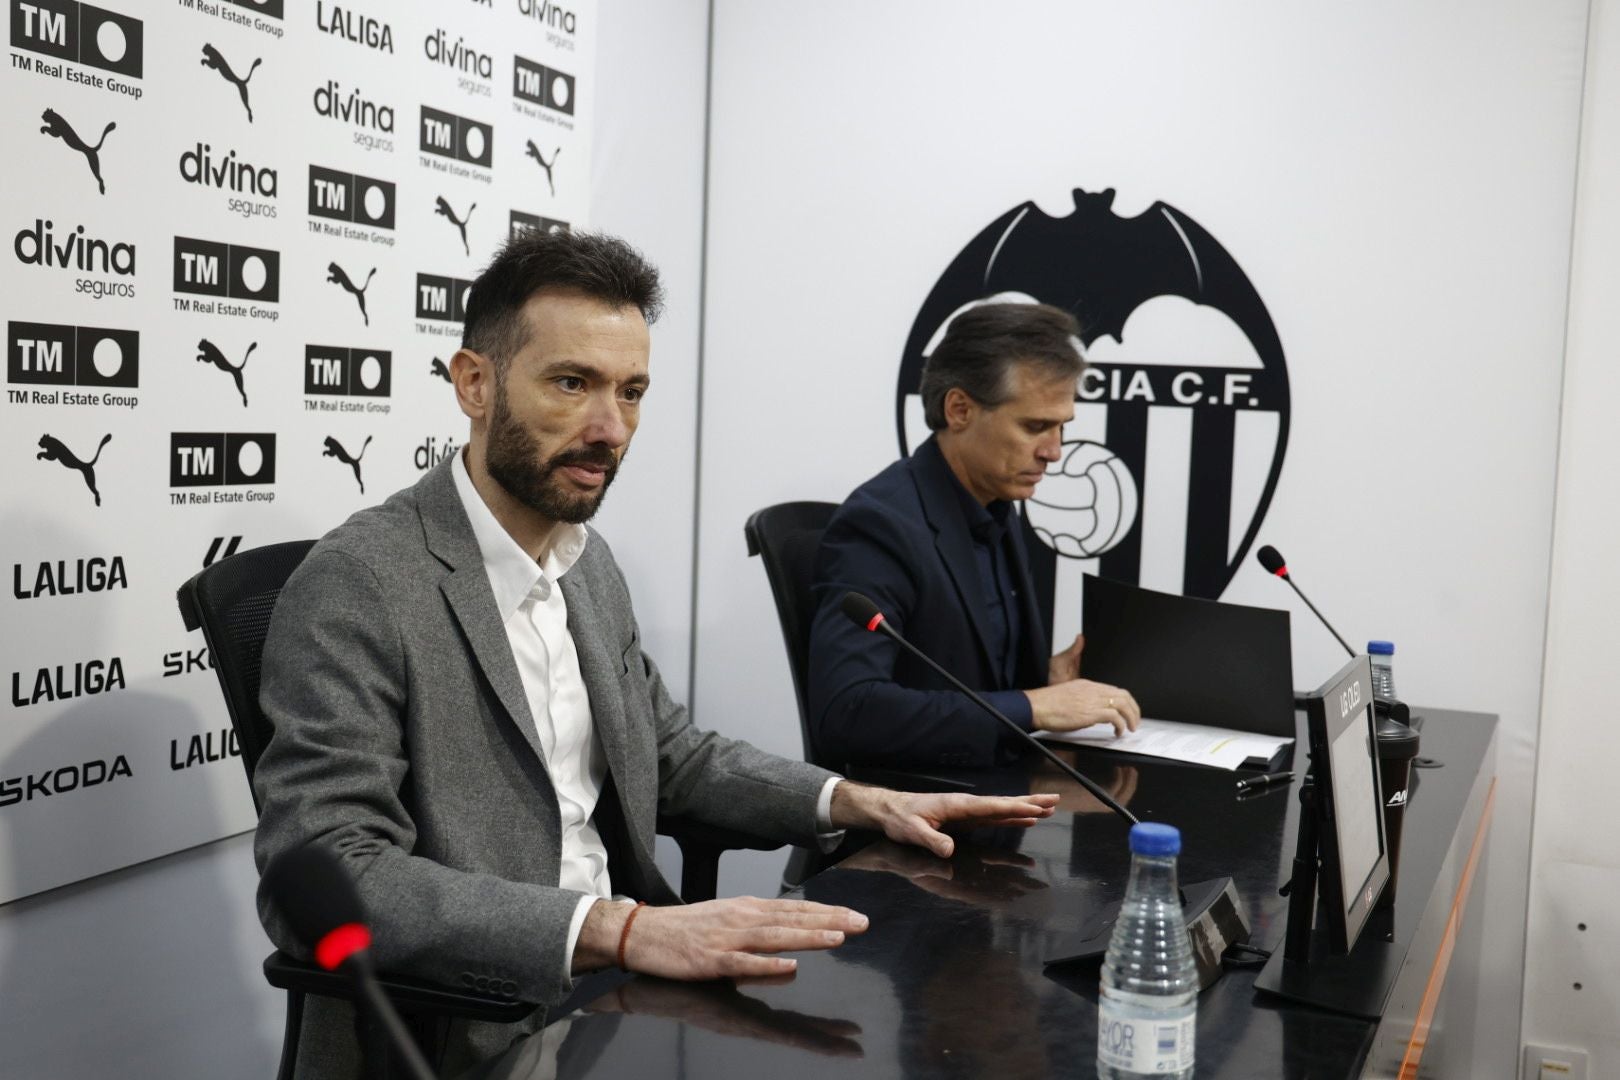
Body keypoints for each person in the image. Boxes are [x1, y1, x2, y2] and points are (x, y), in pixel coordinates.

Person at [251, 231, 1058, 1078]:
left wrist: (853, 801)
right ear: (474, 384)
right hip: (477, 1023)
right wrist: (615, 928)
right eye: (573, 383)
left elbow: (669, 754)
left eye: (631, 391)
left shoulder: (585, 560)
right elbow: (330, 869)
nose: (610, 428)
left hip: (615, 992)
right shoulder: (360, 583)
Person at [807, 302, 1142, 771]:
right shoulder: (881, 526)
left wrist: (1046, 680)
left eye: (1062, 427)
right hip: (916, 815)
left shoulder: (996, 506)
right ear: (960, 409)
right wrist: (1034, 706)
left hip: (1001, 790)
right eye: (1034, 426)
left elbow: (949, 671)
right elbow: (848, 713)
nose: (1055, 452)